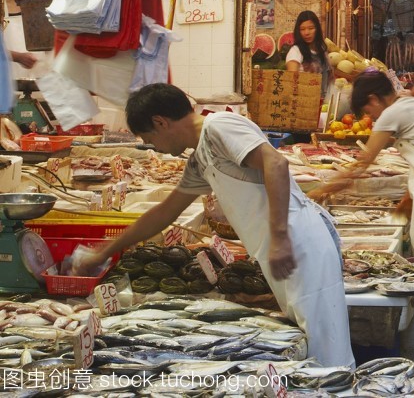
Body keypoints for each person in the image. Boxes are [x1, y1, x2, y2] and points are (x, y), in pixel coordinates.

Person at [76, 84, 352, 366]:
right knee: (308, 345)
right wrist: (104, 252)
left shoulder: (219, 127)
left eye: (149, 137)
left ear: (160, 122)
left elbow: (276, 164)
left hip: (298, 241)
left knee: (326, 348)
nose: (153, 147)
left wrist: (280, 236)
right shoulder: (200, 158)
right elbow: (164, 213)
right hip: (281, 249)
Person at [310, 71, 414, 256]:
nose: (370, 118)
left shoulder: (391, 113)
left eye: (367, 111)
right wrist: (409, 195)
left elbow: (361, 164)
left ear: (373, 99)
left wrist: (321, 191)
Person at [285, 10, 331, 93]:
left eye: (311, 28)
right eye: (302, 29)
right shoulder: (295, 51)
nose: (306, 33)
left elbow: (329, 75)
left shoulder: (322, 48)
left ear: (317, 29)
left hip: (324, 101)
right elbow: (292, 82)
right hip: (305, 102)